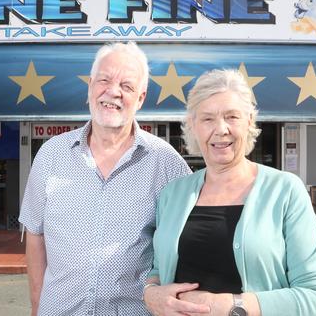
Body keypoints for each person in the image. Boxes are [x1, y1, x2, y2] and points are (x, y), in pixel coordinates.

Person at [143, 69, 316, 316]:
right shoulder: (173, 193)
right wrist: (150, 292)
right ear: (193, 127)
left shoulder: (286, 191)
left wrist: (228, 307)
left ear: (249, 122)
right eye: (207, 119)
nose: (221, 129)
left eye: (231, 116)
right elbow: (159, 270)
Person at [18, 42, 192, 315]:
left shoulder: (165, 162)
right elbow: (35, 234)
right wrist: (37, 306)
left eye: (127, 86)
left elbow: (189, 240)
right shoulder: (51, 154)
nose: (113, 92)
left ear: (141, 98)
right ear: (90, 86)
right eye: (105, 80)